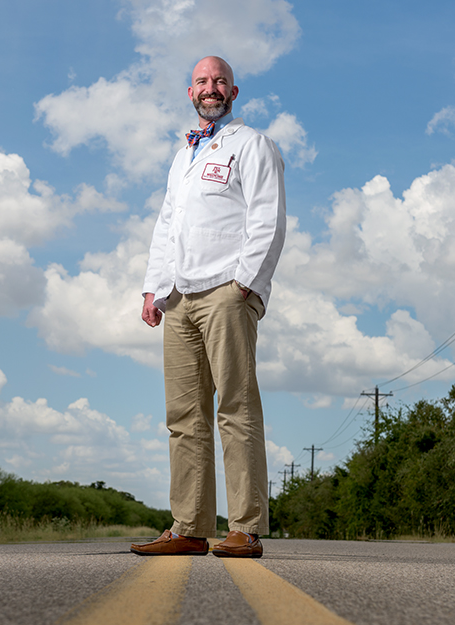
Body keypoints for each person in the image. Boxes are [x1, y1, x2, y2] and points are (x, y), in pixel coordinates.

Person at [131, 56, 287, 558]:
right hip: (179, 296)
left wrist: (245, 284)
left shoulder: (253, 145)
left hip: (226, 290)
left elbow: (268, 217)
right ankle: (190, 527)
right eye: (202, 81)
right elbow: (167, 226)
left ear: (234, 92)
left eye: (219, 80)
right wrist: (154, 289)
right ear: (190, 92)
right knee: (184, 415)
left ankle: (244, 527)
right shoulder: (182, 158)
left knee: (236, 408)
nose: (210, 87)